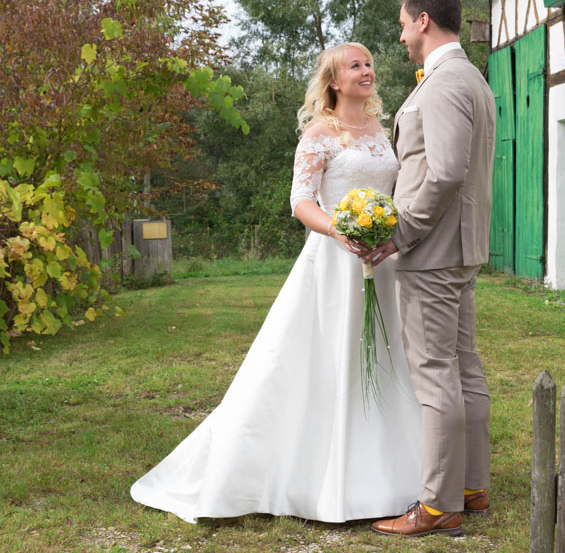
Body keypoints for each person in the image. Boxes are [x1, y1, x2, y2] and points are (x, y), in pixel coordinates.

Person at [130, 42, 421, 524]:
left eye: (369, 64)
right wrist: (340, 230)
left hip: (381, 262)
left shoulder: (379, 130)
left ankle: (391, 476)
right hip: (333, 261)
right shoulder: (320, 133)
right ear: (333, 80)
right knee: (324, 362)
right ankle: (317, 478)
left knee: (385, 362)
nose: (367, 71)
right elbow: (301, 201)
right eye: (356, 66)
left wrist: (384, 232)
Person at [369, 0, 496, 539]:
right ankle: (471, 485)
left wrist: (403, 232)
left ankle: (439, 503)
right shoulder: (471, 78)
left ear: (424, 21)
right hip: (459, 249)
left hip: (433, 251)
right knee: (464, 365)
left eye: (403, 24)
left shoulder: (445, 84)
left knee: (435, 371)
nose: (400, 36)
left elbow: (444, 172)